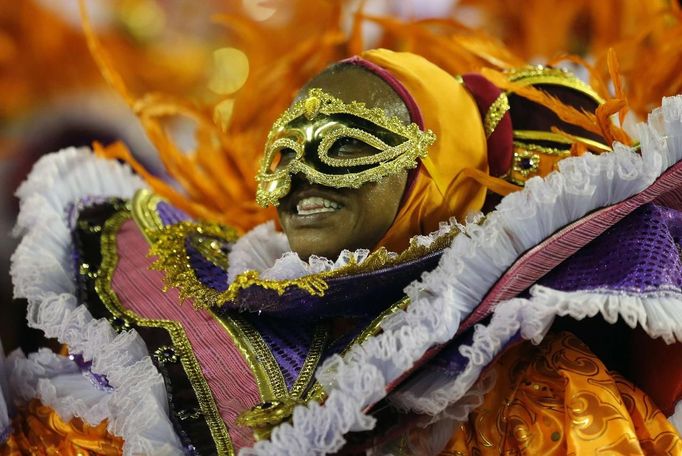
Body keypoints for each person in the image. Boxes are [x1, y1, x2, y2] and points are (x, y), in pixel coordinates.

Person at [2, 48, 682, 456]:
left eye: (347, 145)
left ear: (440, 169)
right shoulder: (172, 324)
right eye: (284, 153)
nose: (301, 179)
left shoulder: (534, 380)